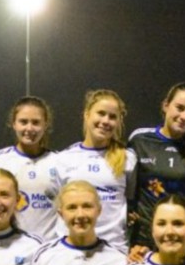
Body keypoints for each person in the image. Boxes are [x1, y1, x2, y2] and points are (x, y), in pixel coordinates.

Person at [128, 83, 185, 249]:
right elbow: (127, 191)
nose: (184, 116)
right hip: (146, 244)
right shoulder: (140, 140)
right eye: (180, 108)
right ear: (166, 105)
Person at [53, 90, 137, 251]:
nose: (105, 121)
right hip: (70, 248)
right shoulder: (63, 159)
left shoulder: (128, 159)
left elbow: (130, 201)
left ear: (119, 122)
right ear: (87, 115)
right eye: (101, 113)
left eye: (112, 117)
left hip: (113, 248)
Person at [0, 96, 60, 240]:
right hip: (12, 245)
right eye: (23, 122)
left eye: (36, 122)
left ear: (45, 124)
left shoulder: (59, 162)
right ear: (14, 124)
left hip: (49, 246)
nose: (29, 128)